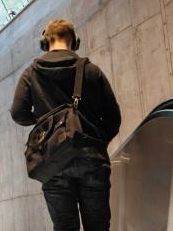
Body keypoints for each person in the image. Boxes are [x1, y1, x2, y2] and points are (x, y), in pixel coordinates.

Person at [10, 19, 121, 231]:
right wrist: (95, 141)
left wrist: (44, 122)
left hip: (53, 162)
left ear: (45, 43)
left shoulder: (31, 74)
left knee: (64, 227)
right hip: (92, 158)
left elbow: (18, 113)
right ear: (74, 42)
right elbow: (113, 119)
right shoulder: (91, 71)